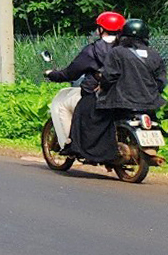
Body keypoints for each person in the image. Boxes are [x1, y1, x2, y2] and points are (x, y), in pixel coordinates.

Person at [46, 11, 129, 163]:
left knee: (63, 104)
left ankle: (69, 144)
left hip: (98, 95)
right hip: (127, 95)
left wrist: (53, 74)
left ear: (101, 29)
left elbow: (70, 73)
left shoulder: (93, 50)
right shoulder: (128, 49)